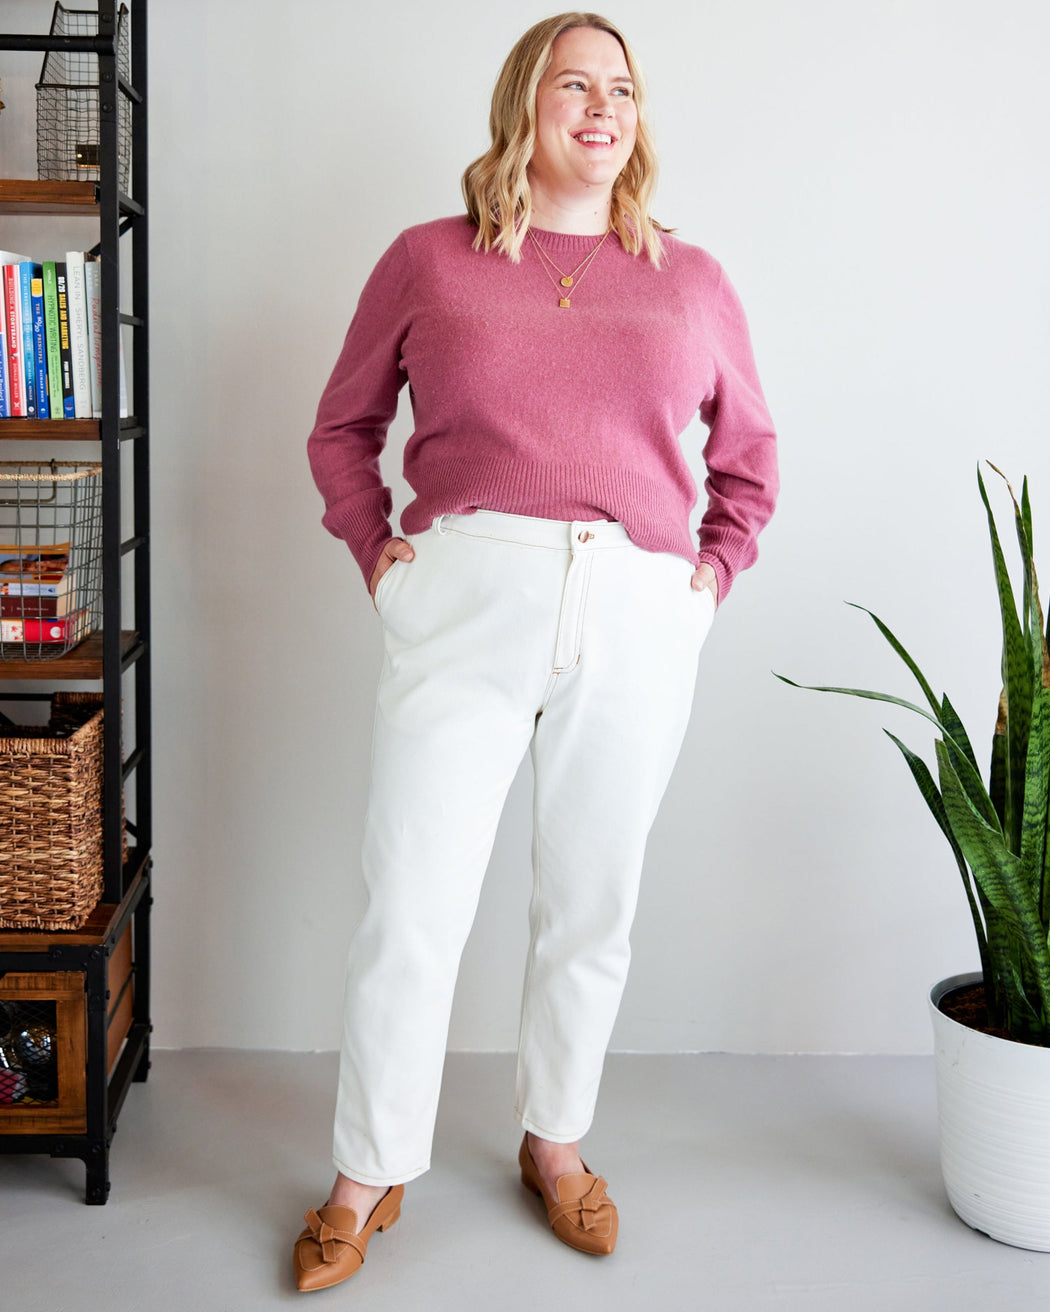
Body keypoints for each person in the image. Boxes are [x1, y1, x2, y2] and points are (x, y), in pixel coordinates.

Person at [296, 10, 778, 1291]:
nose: (602, 105)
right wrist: (379, 553)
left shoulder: (691, 277)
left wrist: (701, 586)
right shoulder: (429, 262)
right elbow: (341, 429)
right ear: (525, 103)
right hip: (468, 592)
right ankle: (367, 1169)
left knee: (592, 903)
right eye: (575, 82)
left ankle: (554, 1143)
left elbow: (751, 466)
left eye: (621, 86)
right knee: (412, 903)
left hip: (631, 604)